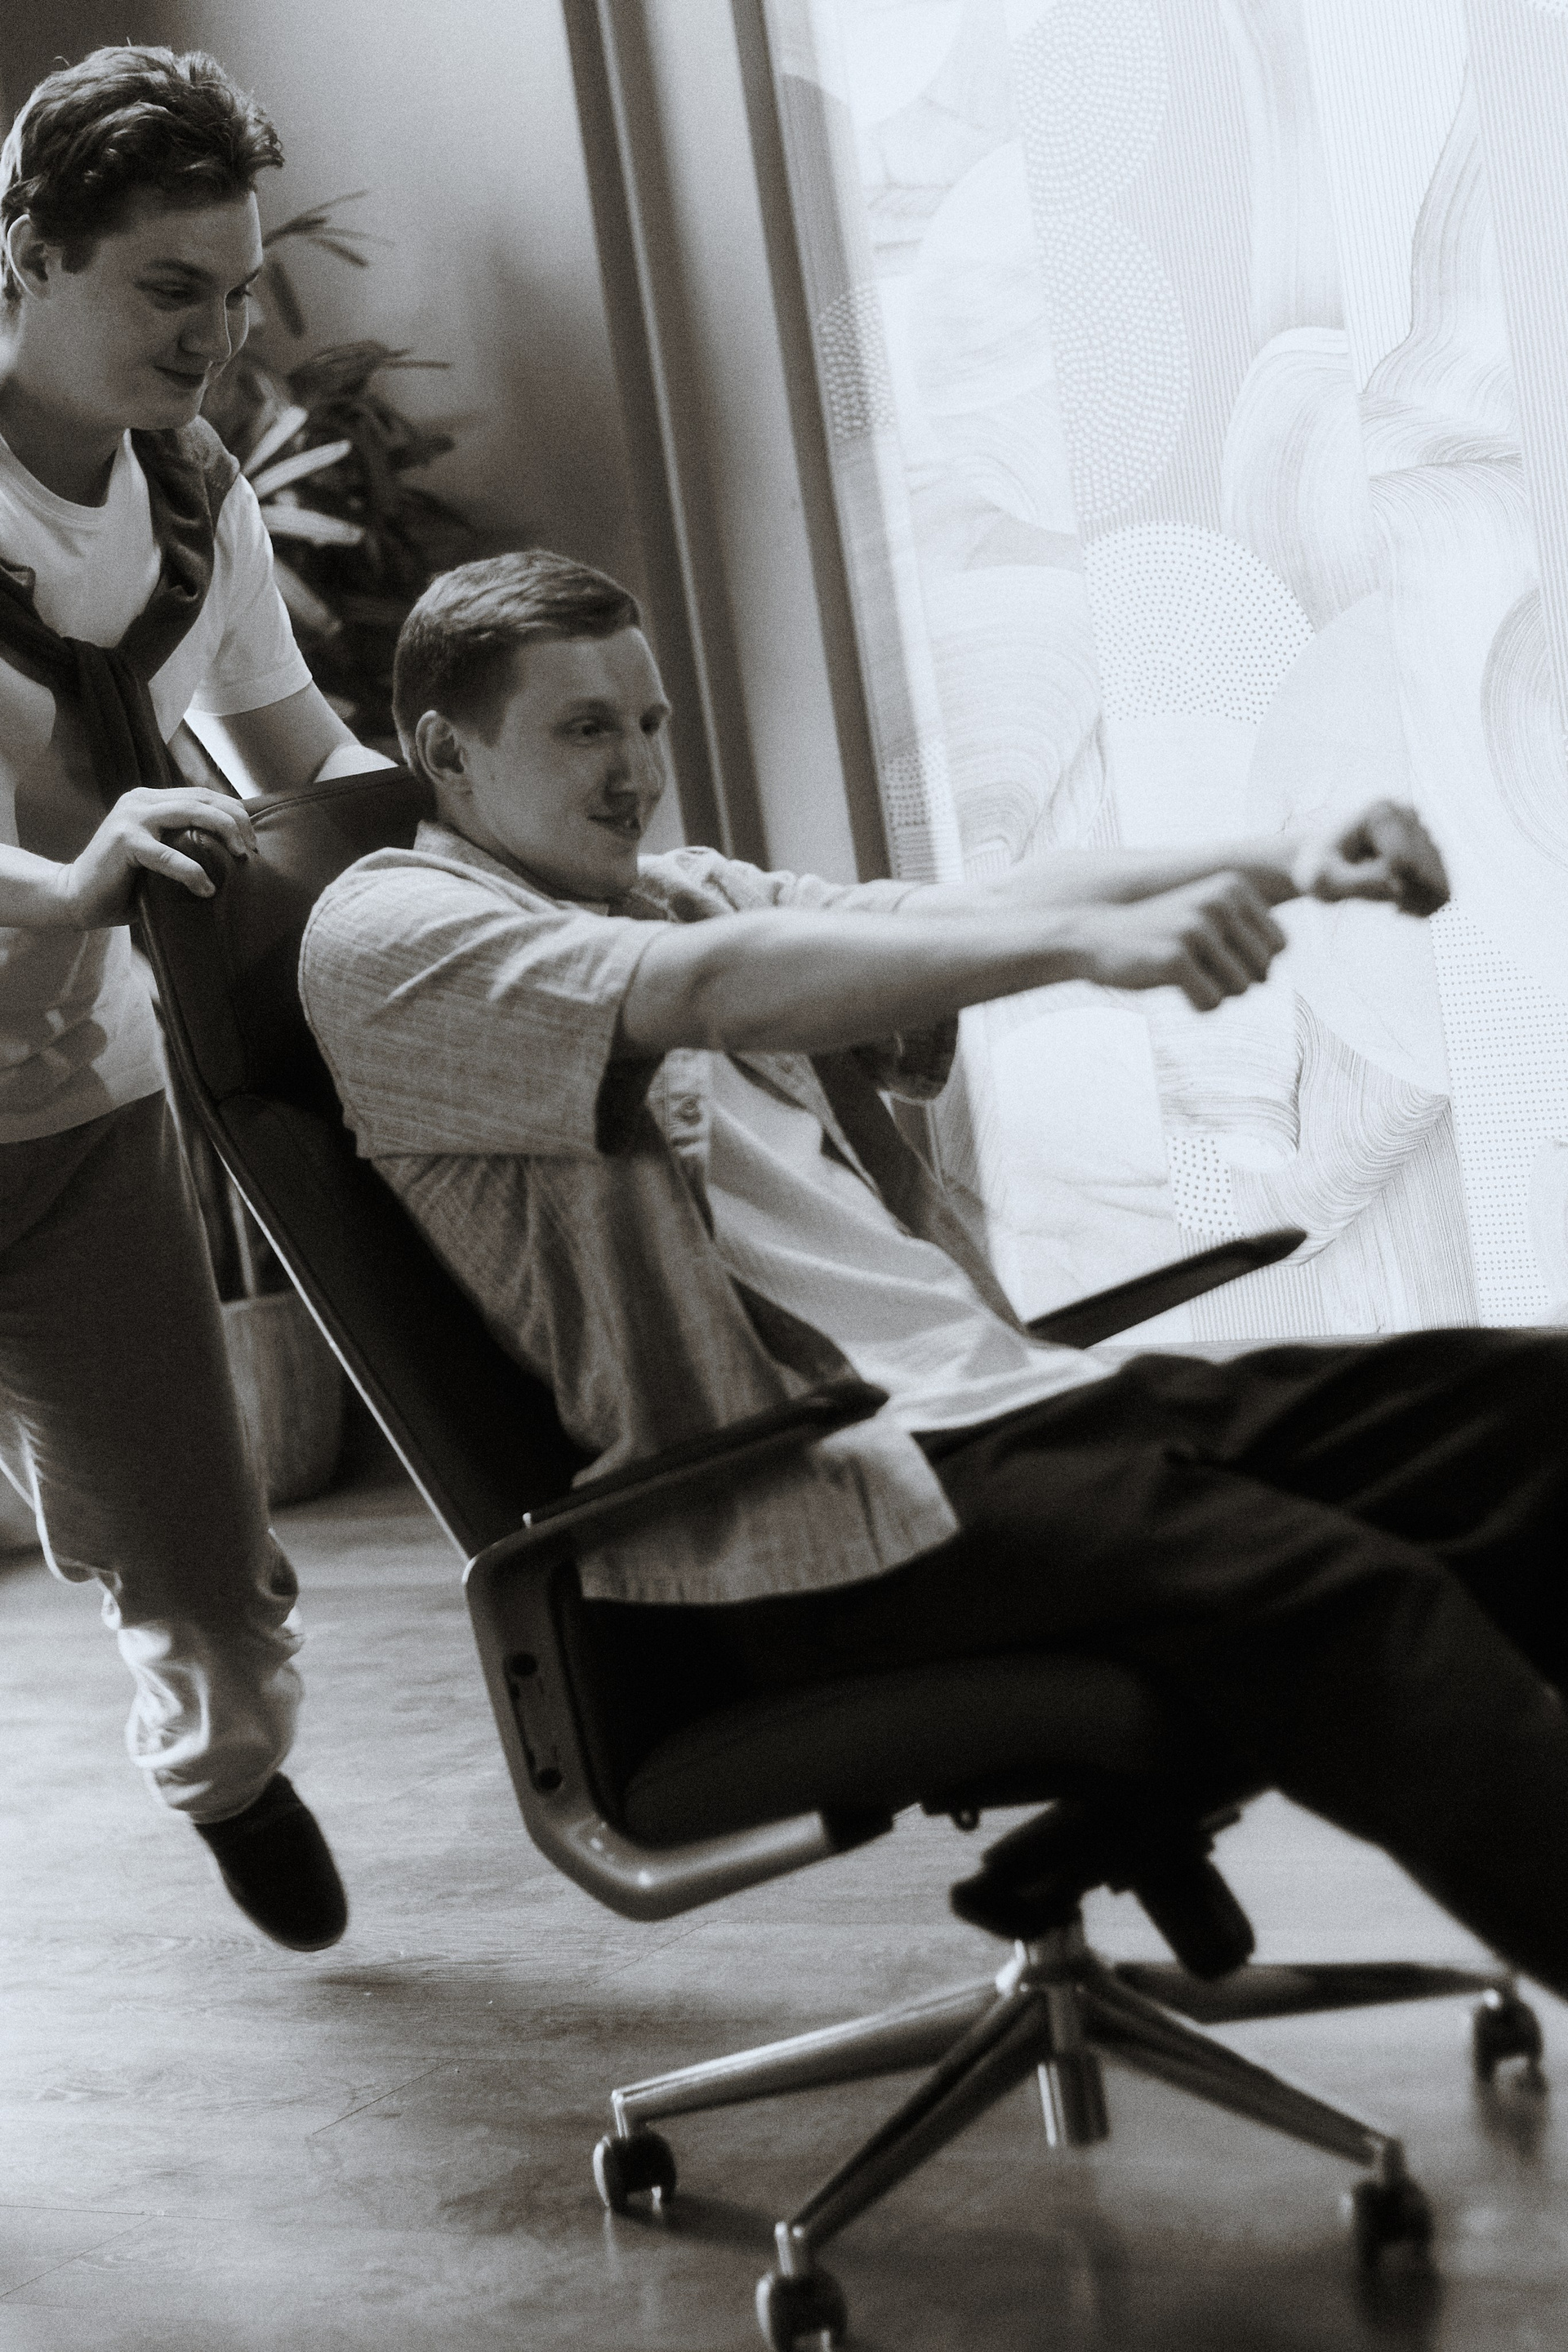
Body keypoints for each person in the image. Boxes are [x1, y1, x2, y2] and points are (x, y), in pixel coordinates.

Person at [300, 549, 1568, 1998]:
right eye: (586, 728)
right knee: (1347, 1604)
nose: (637, 769)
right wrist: (1088, 949)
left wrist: (1285, 855)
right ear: (445, 752)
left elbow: (964, 912)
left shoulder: (675, 896)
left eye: (649, 722)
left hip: (1014, 1415)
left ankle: (1167, 1801)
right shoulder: (387, 938)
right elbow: (699, 995)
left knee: (1533, 1420)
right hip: (817, 1508)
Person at [0, 47, 385, 1948]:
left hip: (69, 1117)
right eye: (171, 287)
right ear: (28, 256)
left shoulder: (192, 492)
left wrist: (471, 860)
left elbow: (294, 753)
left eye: (236, 291)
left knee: (207, 1581)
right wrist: (68, 882)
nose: (218, 334)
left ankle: (227, 1775)